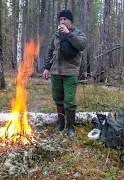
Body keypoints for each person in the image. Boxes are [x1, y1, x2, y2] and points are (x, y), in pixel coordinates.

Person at [42, 9, 87, 137]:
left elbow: (81, 45)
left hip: (70, 73)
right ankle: (61, 123)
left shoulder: (78, 34)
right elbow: (50, 51)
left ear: (70, 21)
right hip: (56, 72)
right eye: (60, 19)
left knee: (70, 101)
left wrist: (68, 34)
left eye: (65, 19)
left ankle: (71, 127)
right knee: (58, 99)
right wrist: (46, 68)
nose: (62, 22)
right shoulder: (56, 35)